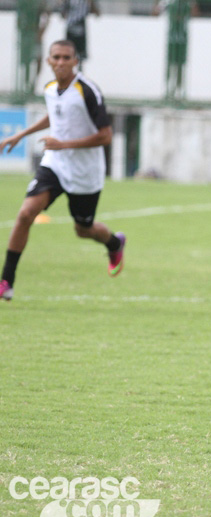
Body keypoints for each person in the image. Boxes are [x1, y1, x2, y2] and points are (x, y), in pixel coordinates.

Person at [0, 40, 125, 302]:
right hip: (55, 164)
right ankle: (6, 282)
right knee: (25, 214)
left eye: (66, 58)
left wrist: (63, 144)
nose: (60, 62)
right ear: (48, 60)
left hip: (85, 172)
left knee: (83, 230)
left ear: (75, 61)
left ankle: (114, 243)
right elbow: (55, 116)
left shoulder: (88, 91)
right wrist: (21, 135)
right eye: (55, 57)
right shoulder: (50, 89)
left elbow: (105, 136)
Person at [59, 0, 99, 67]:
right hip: (70, 30)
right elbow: (62, 14)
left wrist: (91, 3)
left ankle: (79, 74)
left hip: (81, 32)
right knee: (68, 55)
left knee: (80, 57)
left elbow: (96, 13)